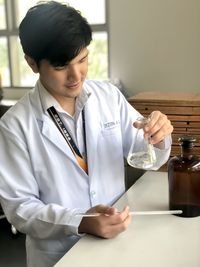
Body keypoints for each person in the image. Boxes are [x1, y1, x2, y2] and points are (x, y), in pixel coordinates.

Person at [0, 1, 173, 266]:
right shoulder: (14, 125)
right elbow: (19, 208)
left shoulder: (108, 97)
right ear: (32, 63)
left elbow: (145, 154)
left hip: (118, 242)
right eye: (61, 66)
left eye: (82, 60)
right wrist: (80, 221)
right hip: (58, 254)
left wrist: (158, 136)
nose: (75, 75)